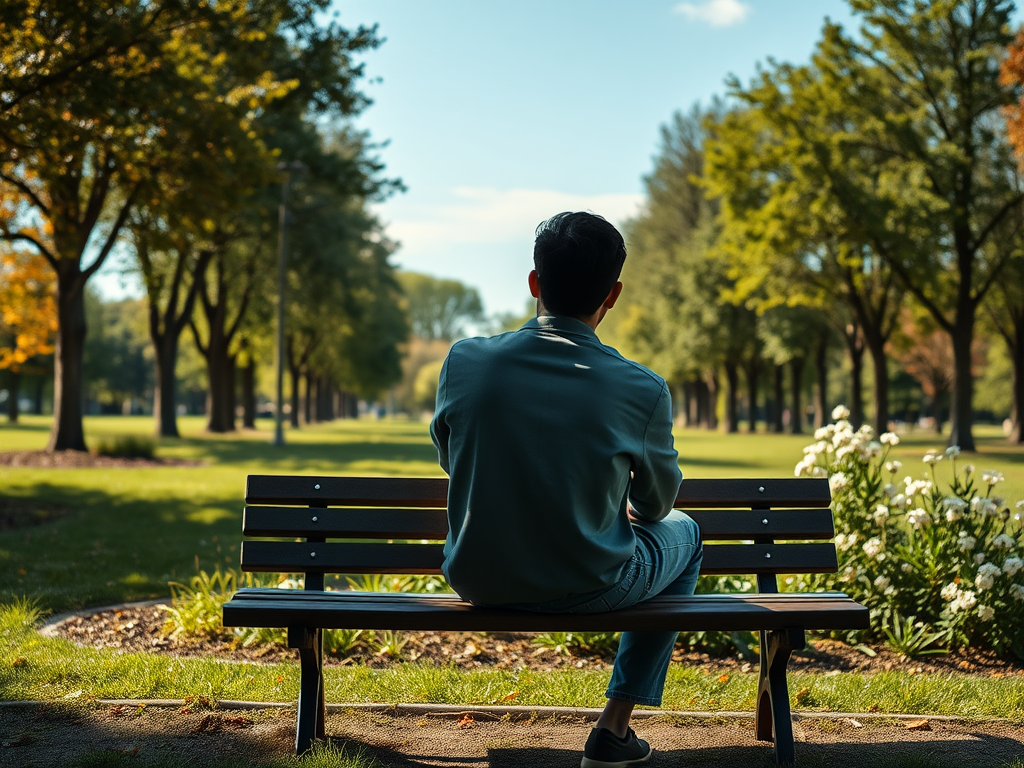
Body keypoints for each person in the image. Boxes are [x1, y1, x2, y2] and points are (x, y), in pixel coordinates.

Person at [430, 211, 703, 768]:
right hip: (588, 584)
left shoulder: (465, 361)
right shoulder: (640, 388)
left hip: (478, 578)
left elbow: (451, 457)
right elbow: (656, 507)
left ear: (535, 282)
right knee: (688, 534)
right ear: (614, 293)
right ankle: (614, 728)